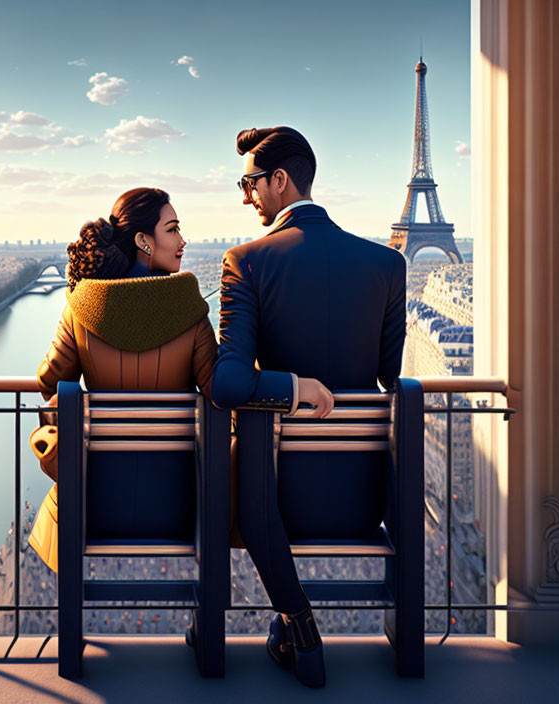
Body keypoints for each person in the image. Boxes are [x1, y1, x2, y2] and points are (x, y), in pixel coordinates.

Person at [211, 126, 407, 688]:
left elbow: (226, 384)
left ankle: (297, 621)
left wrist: (293, 387)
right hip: (362, 503)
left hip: (268, 510)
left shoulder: (246, 261)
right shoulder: (387, 266)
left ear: (279, 181)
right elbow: (391, 378)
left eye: (249, 183)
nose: (246, 197)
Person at [27, 187, 217, 572]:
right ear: (144, 241)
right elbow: (217, 391)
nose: (183, 241)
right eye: (174, 230)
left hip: (95, 502)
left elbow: (50, 380)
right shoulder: (191, 310)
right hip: (178, 504)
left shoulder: (83, 307)